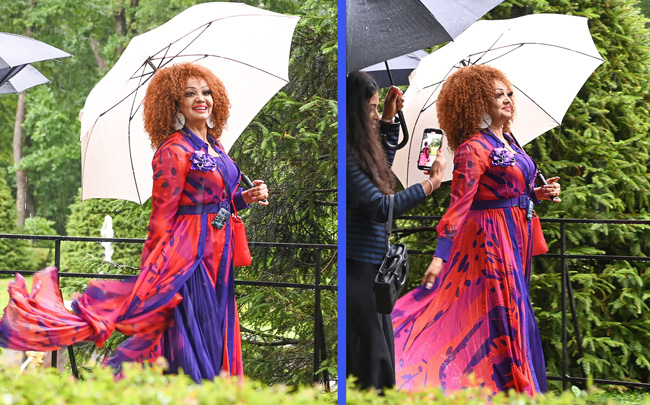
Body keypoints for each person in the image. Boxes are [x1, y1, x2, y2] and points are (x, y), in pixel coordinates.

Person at [0, 63, 269, 383]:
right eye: (190, 93)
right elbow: (163, 215)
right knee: (198, 333)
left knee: (217, 328)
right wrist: (153, 269)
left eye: (206, 91)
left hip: (218, 257)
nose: (201, 99)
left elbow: (220, 202)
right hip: (188, 258)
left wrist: (245, 198)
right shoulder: (173, 150)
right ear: (175, 104)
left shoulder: (217, 146)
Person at [391, 65, 561, 396]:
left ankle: (512, 386)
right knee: (501, 311)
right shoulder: (473, 148)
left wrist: (538, 194)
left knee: (515, 307)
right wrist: (440, 258)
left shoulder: (510, 140)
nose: (508, 100)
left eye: (508, 93)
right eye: (498, 95)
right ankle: (505, 389)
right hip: (490, 240)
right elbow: (459, 205)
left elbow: (513, 190)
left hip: (516, 236)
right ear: (479, 102)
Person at [346, 71, 446, 391]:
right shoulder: (346, 156)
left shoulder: (358, 148)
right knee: (374, 359)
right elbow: (380, 206)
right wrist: (428, 186)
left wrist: (389, 119)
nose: (376, 114)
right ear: (354, 109)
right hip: (358, 269)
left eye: (378, 107)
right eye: (372, 108)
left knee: (382, 355)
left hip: (373, 268)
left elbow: (378, 170)